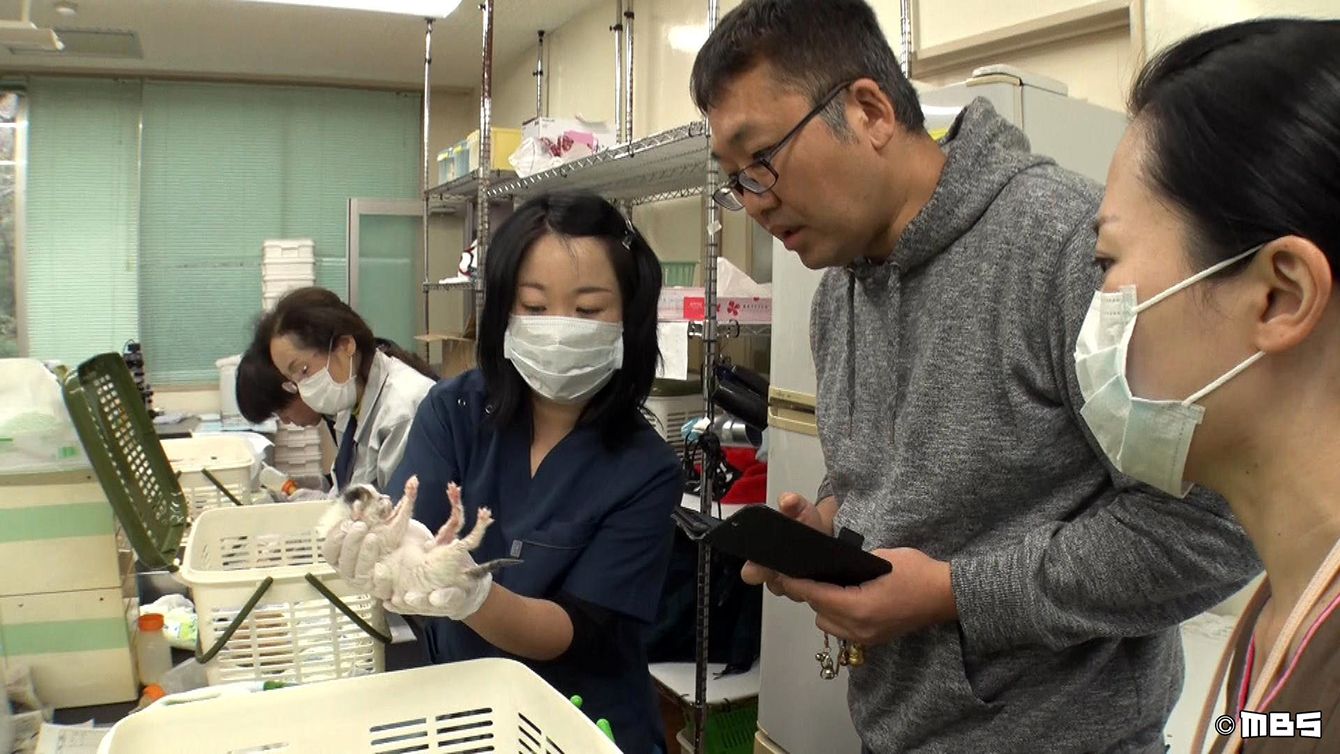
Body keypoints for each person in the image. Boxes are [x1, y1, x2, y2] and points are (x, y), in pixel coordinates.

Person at [691, 1, 1261, 751]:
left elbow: (1217, 529)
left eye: (761, 157)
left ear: (869, 112)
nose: (754, 204)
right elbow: (889, 478)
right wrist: (831, 519)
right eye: (735, 180)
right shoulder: (838, 293)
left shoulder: (1067, 249)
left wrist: (953, 595)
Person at [324, 192, 682, 754]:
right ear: (504, 315)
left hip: (582, 727)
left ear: (629, 320)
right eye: (534, 307)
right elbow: (411, 533)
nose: (558, 329)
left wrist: (472, 597)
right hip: (461, 717)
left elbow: (575, 630)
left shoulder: (646, 468)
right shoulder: (455, 411)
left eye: (588, 310)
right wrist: (379, 544)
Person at [1080, 19, 1340, 753]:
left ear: (1279, 297)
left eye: (1106, 263)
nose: (1093, 313)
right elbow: (1260, 730)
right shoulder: (1279, 613)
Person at [264, 287, 436, 491]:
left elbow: (402, 506)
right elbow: (346, 490)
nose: (302, 389)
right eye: (292, 381)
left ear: (346, 345)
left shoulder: (403, 410)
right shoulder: (351, 402)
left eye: (303, 370)